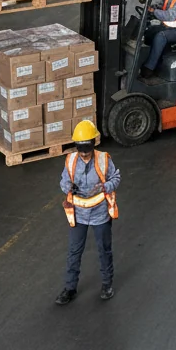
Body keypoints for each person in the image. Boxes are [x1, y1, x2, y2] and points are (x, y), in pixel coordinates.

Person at [55, 120, 120, 305]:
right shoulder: (71, 160)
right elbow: (63, 181)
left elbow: (116, 177)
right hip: (79, 214)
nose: (84, 154)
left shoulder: (103, 159)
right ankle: (70, 288)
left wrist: (105, 186)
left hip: (100, 213)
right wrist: (68, 187)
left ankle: (107, 284)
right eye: (81, 149)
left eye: (87, 149)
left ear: (93, 144)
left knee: (104, 250)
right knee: (74, 252)